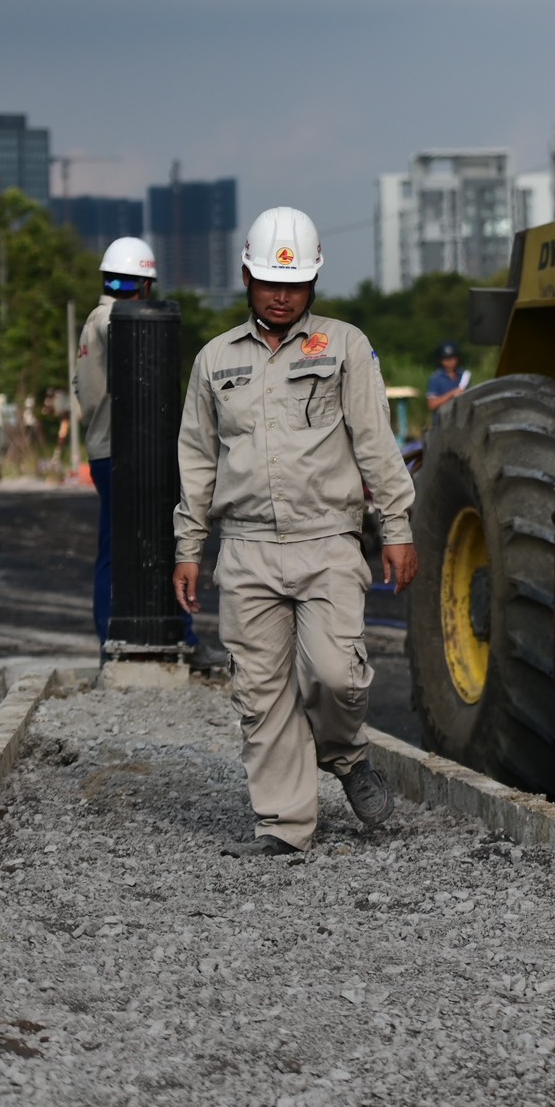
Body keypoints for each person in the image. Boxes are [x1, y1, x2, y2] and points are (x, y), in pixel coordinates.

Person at [172, 207, 415, 855]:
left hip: (328, 539)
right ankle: (284, 824)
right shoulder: (214, 360)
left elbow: (375, 441)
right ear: (247, 275)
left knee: (335, 675)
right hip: (246, 546)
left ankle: (345, 754)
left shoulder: (343, 347)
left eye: (297, 283)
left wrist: (397, 527)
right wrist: (189, 549)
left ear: (314, 284)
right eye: (270, 282)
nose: (282, 295)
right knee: (261, 691)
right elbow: (197, 458)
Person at [77, 236, 184, 652]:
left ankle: (111, 636)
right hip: (131, 453)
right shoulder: (119, 322)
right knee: (160, 541)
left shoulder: (92, 321)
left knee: (113, 547)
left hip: (103, 450)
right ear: (146, 287)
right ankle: (176, 636)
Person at [425, 341, 470, 416]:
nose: (451, 361)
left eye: (453, 358)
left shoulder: (464, 376)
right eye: (447, 359)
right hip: (443, 421)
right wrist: (451, 394)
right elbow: (431, 405)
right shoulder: (436, 378)